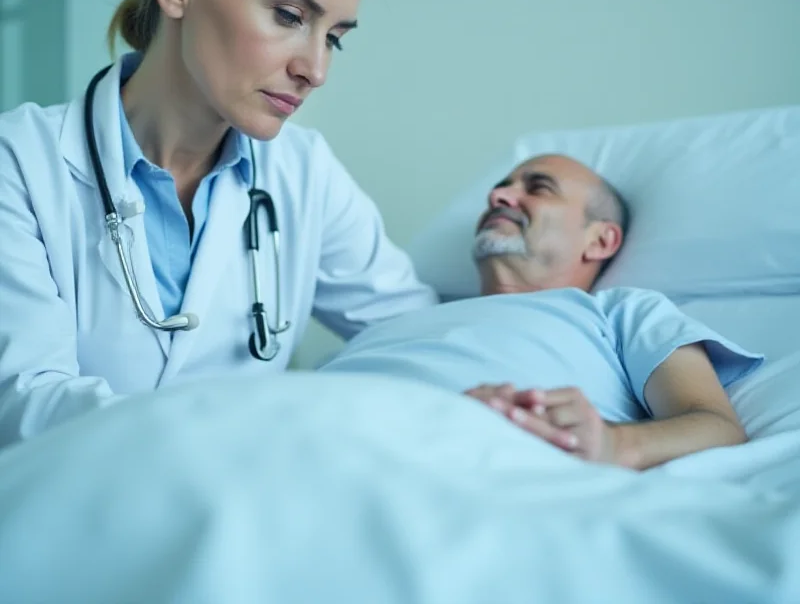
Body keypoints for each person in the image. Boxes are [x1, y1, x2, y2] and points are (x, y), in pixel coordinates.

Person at [0, 0, 437, 448]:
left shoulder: (304, 173)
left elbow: (420, 337)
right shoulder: (19, 164)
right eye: (289, 15)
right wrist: (271, 428)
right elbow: (24, 402)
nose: (315, 69)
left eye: (335, 38)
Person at [320, 154, 763, 470]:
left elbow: (715, 427)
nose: (499, 196)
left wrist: (615, 445)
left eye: (537, 187)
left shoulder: (625, 312)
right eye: (501, 186)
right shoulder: (396, 323)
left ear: (600, 241)